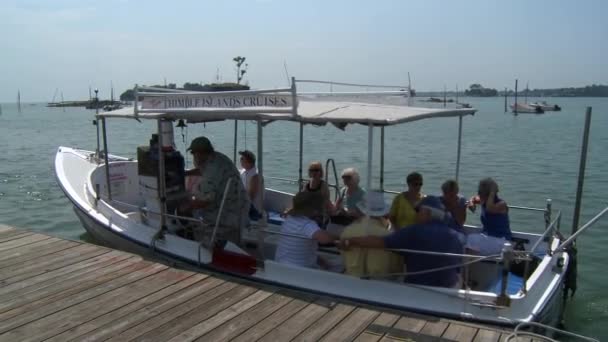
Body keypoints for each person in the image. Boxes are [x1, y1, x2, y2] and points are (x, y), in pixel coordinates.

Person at [339, 196, 464, 288]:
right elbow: (458, 269)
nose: (416, 215)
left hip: (418, 288)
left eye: (418, 211)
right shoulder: (457, 236)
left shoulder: (413, 232)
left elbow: (379, 242)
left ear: (428, 212)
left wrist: (350, 241)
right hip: (448, 288)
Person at [181, 136, 249, 244]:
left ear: (200, 153)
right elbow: (203, 170)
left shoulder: (211, 171)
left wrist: (186, 206)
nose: (193, 156)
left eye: (193, 153)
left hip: (228, 213)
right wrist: (185, 173)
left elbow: (205, 201)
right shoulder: (216, 158)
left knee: (216, 244)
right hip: (239, 205)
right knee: (232, 241)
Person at [341, 191, 403, 278]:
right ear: (384, 213)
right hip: (380, 282)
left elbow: (344, 257)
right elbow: (396, 267)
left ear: (362, 211)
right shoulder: (389, 236)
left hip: (351, 278)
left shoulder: (347, 231)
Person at [275, 191, 336, 269]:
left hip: (281, 264)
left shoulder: (289, 218)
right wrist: (341, 236)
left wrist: (321, 261)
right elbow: (325, 239)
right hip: (298, 271)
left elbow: (301, 248)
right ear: (313, 210)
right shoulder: (307, 225)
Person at [466, 178, 512, 255]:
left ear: (488, 194)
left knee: (471, 239)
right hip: (489, 237)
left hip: (501, 241)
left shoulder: (501, 204)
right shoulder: (484, 200)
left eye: (481, 192)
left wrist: (492, 191)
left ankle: (465, 266)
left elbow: (489, 209)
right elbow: (474, 198)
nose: (479, 194)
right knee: (467, 239)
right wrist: (472, 203)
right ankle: (468, 265)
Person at [239, 150, 264, 221]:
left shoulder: (255, 176)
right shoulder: (243, 171)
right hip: (244, 202)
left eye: (242, 159)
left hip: (253, 209)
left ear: (249, 161)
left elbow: (250, 197)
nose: (240, 160)